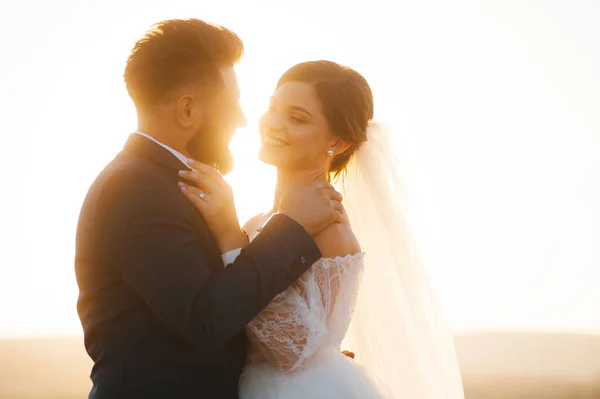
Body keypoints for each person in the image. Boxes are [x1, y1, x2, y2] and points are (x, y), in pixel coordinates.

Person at [74, 19, 344, 399]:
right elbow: (205, 318)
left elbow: (212, 307)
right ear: (187, 110)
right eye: (232, 103)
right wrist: (291, 226)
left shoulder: (165, 181)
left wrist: (314, 368)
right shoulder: (135, 189)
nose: (242, 119)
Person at [180, 61, 466, 398]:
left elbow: (293, 350)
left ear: (340, 143)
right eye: (273, 108)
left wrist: (229, 238)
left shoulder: (327, 225)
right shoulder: (260, 222)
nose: (273, 124)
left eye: (297, 119)